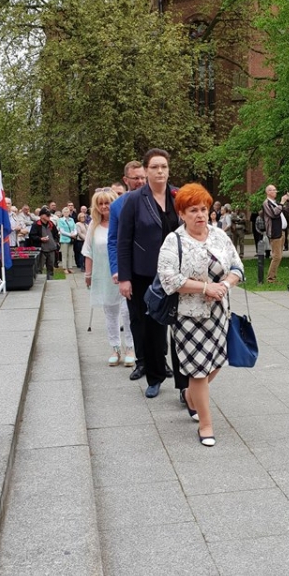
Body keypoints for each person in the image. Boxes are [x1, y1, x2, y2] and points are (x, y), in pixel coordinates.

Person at [157, 184, 244, 446]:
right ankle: (206, 425)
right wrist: (205, 288)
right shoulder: (174, 240)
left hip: (218, 313)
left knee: (216, 361)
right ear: (182, 214)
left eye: (204, 209)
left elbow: (237, 267)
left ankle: (191, 396)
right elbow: (169, 279)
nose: (200, 215)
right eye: (193, 210)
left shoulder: (219, 236)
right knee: (197, 371)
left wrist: (224, 285)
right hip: (188, 316)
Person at [117, 149, 183, 398]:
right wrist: (124, 277)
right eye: (154, 167)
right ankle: (155, 377)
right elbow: (124, 240)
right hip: (145, 274)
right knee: (150, 328)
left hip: (178, 274)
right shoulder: (135, 200)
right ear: (146, 170)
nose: (160, 171)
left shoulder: (179, 196)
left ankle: (185, 385)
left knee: (181, 329)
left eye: (163, 166)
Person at [83, 188, 134, 367]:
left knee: (127, 312)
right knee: (110, 312)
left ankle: (130, 348)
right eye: (101, 203)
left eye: (108, 202)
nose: (105, 206)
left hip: (125, 274)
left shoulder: (123, 222)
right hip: (104, 275)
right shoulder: (93, 226)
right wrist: (88, 274)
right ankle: (115, 348)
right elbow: (88, 251)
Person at [107, 160, 148, 380]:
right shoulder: (118, 206)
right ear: (126, 180)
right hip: (132, 270)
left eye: (143, 177)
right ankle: (141, 362)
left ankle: (160, 360)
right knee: (136, 317)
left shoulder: (157, 199)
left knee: (160, 317)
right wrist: (119, 271)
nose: (140, 181)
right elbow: (113, 241)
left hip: (156, 269)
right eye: (136, 178)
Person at [262, 184, 289, 282]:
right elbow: (274, 214)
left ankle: (273, 276)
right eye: (273, 190)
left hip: (282, 231)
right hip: (275, 232)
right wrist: (282, 202)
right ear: (268, 192)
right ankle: (271, 278)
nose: (276, 192)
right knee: (277, 256)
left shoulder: (276, 203)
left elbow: (288, 210)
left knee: (279, 256)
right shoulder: (266, 203)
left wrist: (288, 201)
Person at [28, 207, 60, 278]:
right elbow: (32, 236)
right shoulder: (36, 225)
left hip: (51, 249)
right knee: (39, 268)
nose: (49, 216)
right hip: (41, 250)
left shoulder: (51, 224)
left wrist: (55, 242)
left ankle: (50, 281)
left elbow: (56, 234)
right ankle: (39, 282)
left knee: (51, 268)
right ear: (42, 215)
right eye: (47, 215)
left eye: (49, 215)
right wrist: (40, 239)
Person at [57, 206, 77, 273]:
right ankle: (65, 268)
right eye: (65, 212)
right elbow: (62, 231)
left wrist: (75, 233)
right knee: (64, 254)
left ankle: (70, 267)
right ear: (63, 213)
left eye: (67, 212)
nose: (66, 213)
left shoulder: (71, 219)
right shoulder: (61, 220)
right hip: (64, 239)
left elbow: (75, 228)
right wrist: (70, 235)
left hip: (71, 239)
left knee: (70, 254)